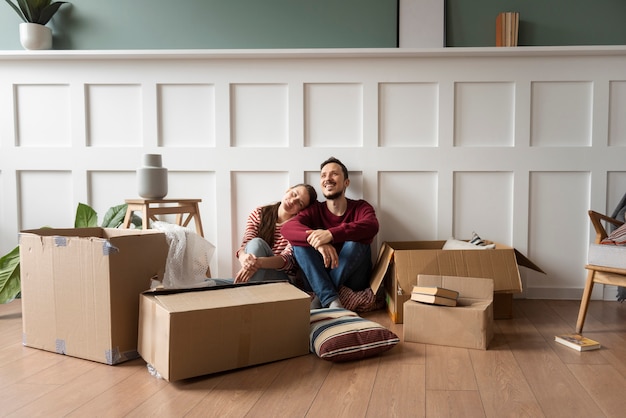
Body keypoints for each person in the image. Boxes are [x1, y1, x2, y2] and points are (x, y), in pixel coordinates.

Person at [281, 157, 379, 309]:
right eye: (323, 175)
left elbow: (372, 226)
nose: (327, 178)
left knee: (356, 240)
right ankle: (332, 300)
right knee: (299, 244)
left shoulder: (360, 207)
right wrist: (320, 243)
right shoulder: (314, 210)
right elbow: (287, 228)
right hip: (317, 275)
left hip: (353, 280)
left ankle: (322, 299)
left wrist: (331, 234)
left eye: (334, 174)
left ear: (346, 182)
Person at [234, 184, 317, 283]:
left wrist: (257, 263)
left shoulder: (298, 226)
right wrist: (244, 258)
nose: (292, 201)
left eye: (299, 203)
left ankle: (245, 292)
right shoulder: (259, 213)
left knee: (257, 243)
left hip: (283, 280)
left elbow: (286, 260)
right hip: (255, 272)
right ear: (288, 190)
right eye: (294, 194)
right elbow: (246, 244)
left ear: (302, 210)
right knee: (213, 285)